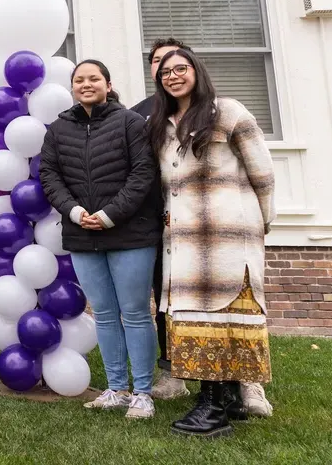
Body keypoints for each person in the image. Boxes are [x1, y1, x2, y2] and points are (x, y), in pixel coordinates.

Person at [148, 48, 275, 437]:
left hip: (227, 237)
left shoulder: (229, 112)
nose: (173, 76)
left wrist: (259, 222)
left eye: (181, 68)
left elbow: (263, 174)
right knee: (197, 319)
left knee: (224, 316)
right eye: (165, 72)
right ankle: (226, 401)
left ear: (196, 72)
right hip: (184, 242)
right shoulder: (162, 124)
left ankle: (211, 408)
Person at [38, 60, 161, 419]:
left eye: (94, 78)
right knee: (105, 314)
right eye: (79, 80)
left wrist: (109, 215)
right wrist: (75, 213)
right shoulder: (59, 128)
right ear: (72, 87)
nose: (86, 84)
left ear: (108, 84)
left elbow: (143, 174)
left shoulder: (130, 123)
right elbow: (50, 175)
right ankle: (116, 388)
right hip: (81, 233)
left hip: (131, 233)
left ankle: (142, 392)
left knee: (135, 313)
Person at [131, 38, 192, 403]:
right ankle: (172, 372)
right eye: (158, 61)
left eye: (174, 62)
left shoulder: (212, 109)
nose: (165, 68)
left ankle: (243, 381)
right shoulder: (138, 113)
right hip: (157, 224)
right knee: (164, 300)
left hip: (203, 225)